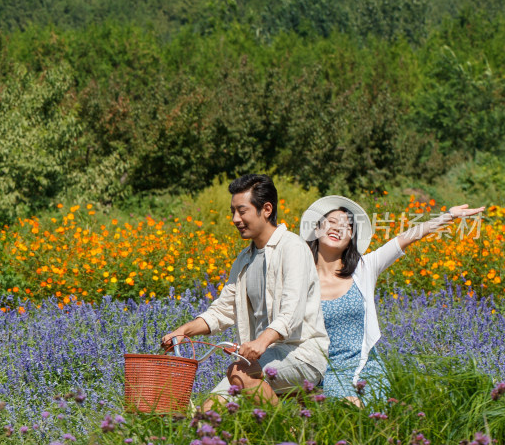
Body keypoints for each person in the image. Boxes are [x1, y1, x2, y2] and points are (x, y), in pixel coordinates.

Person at [299, 195, 484, 406]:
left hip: (364, 366)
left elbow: (405, 238)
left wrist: (448, 216)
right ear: (317, 228)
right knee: (341, 408)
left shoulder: (364, 268)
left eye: (347, 226)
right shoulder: (301, 277)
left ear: (351, 238)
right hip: (323, 369)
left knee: (358, 407)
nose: (338, 228)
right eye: (332, 222)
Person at [161, 174, 329, 407]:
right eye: (233, 212)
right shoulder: (244, 260)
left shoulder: (293, 248)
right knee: (206, 412)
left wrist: (261, 342)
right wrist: (184, 331)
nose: (235, 219)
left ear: (266, 209)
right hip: (259, 360)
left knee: (239, 374)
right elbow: (222, 311)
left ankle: (289, 437)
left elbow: (291, 313)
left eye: (242, 211)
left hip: (301, 354)